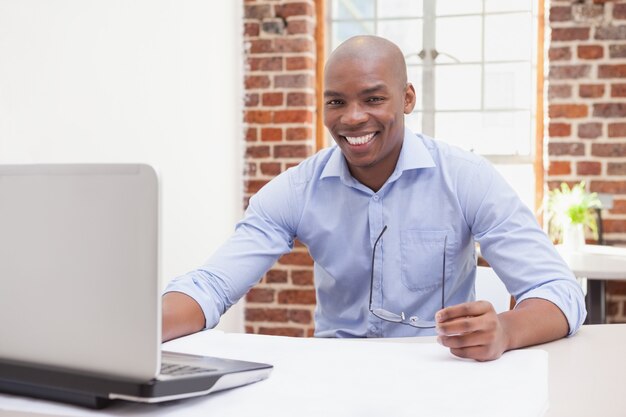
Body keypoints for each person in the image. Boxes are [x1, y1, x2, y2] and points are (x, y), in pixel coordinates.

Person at [162, 35, 586, 361]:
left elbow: (558, 291)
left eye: (373, 98)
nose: (352, 117)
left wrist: (506, 331)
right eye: (336, 102)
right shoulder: (297, 189)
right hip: (336, 375)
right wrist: (135, 329)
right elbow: (211, 286)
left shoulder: (466, 178)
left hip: (439, 373)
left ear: (407, 99)